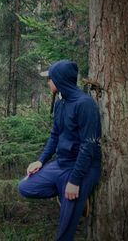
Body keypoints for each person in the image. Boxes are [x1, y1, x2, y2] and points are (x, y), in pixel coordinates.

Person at [18, 60, 102, 241]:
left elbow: (89, 146)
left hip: (83, 168)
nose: (48, 81)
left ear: (60, 79)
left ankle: (72, 195)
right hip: (62, 163)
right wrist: (41, 160)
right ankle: (67, 194)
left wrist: (75, 181)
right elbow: (55, 135)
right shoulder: (60, 103)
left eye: (50, 78)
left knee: (65, 232)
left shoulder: (85, 104)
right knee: (25, 187)